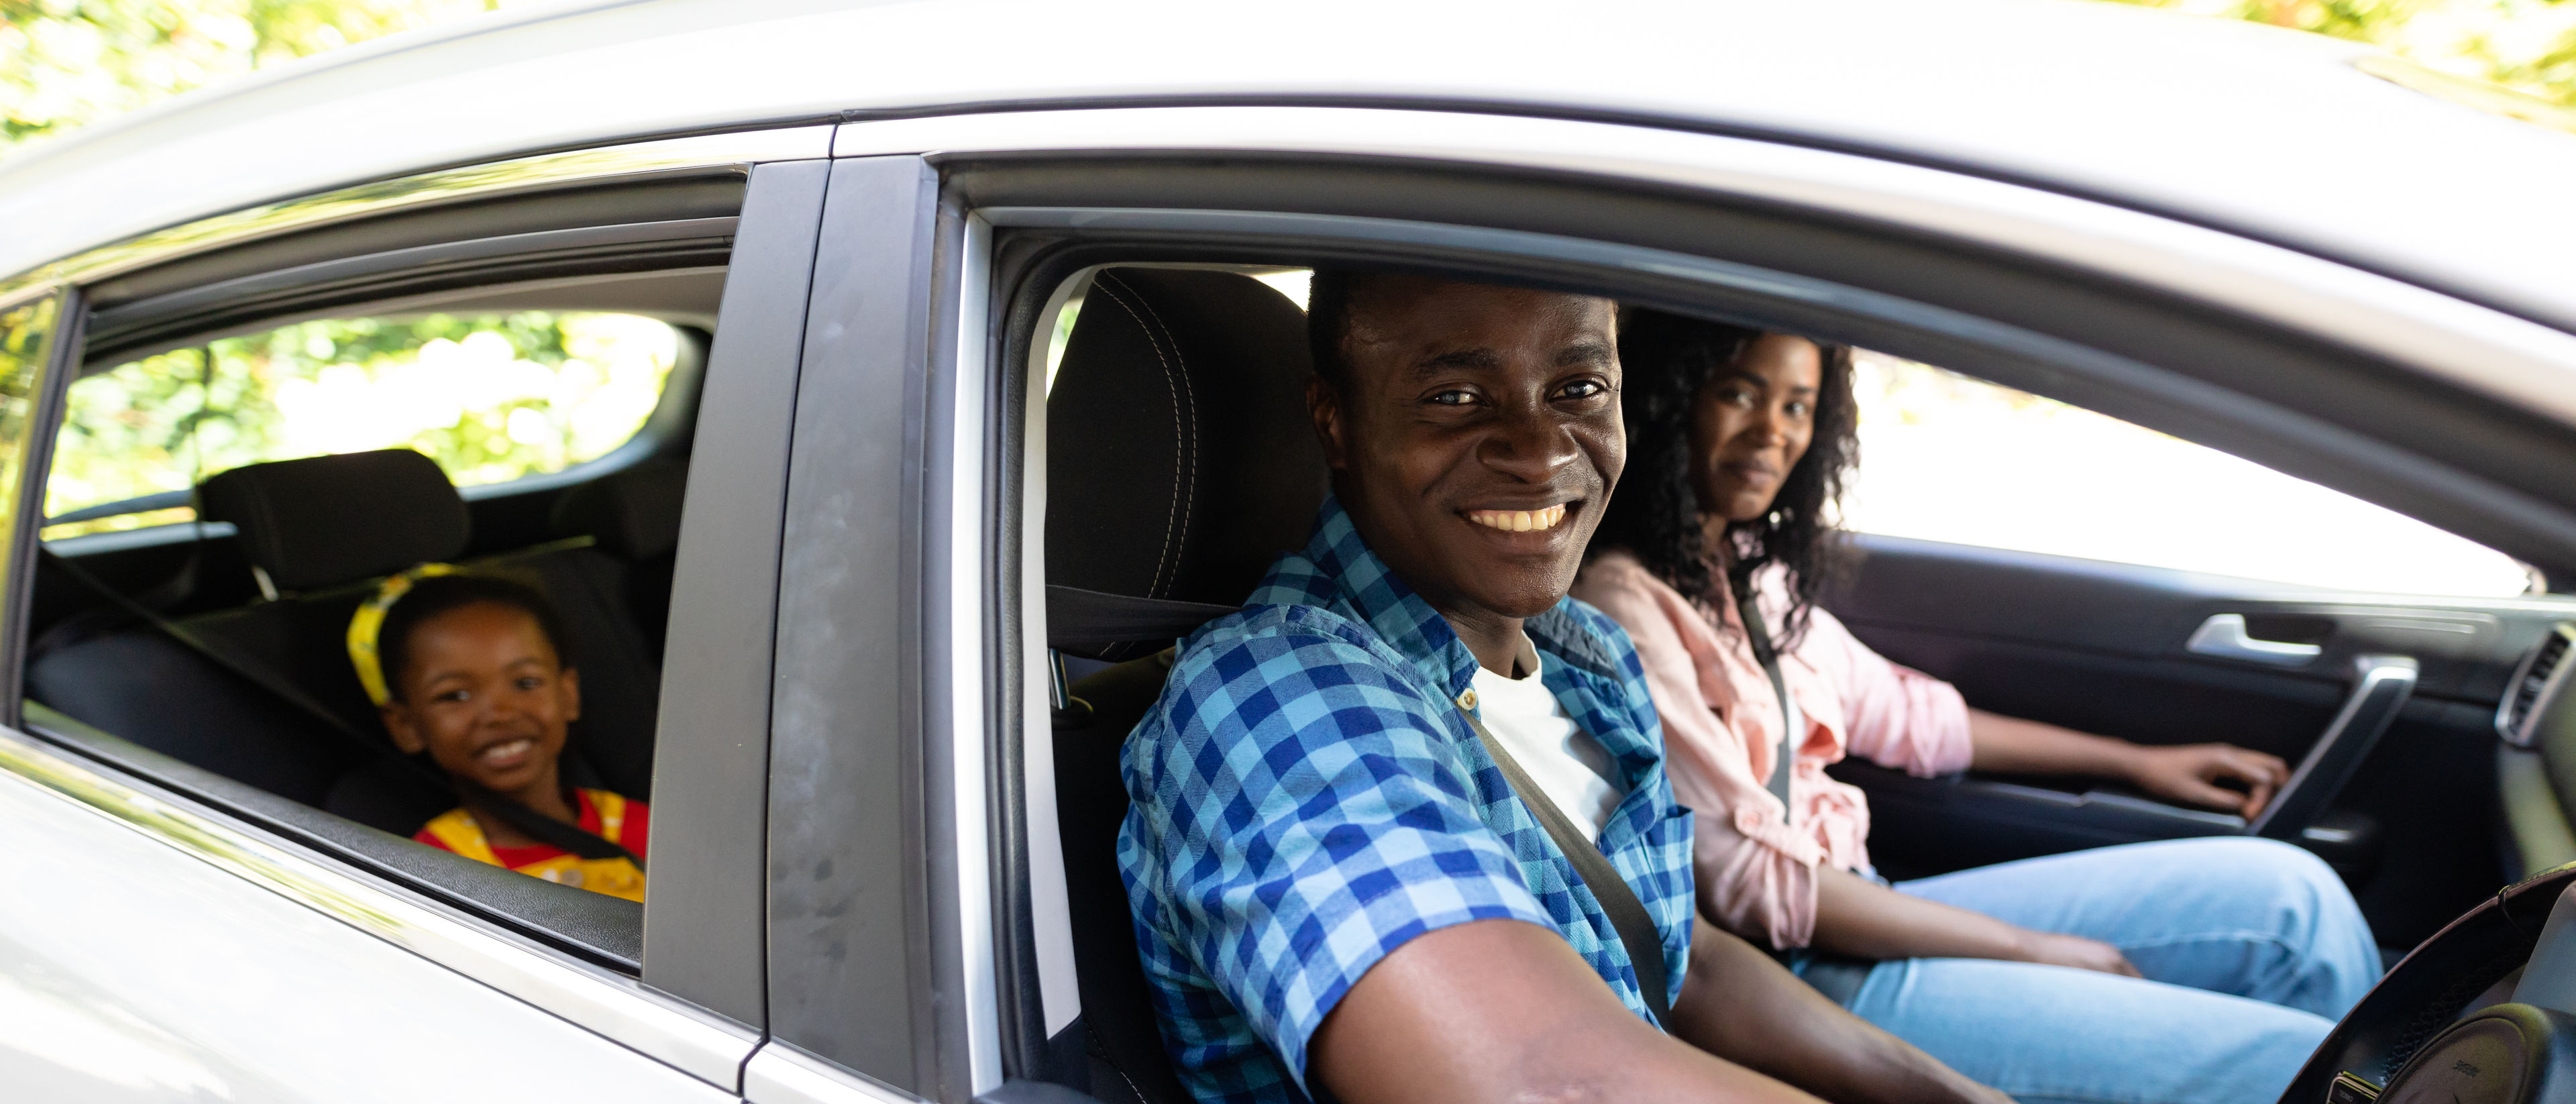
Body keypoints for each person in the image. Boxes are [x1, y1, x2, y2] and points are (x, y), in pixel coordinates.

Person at [1118, 270, 2010, 1104]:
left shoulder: (1593, 658)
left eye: (1578, 388)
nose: (1541, 449)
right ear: (1336, 422)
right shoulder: (1273, 700)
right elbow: (1553, 1082)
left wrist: (1943, 1091)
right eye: (1455, 398)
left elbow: (1678, 957)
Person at [1571, 309, 2382, 1104]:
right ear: (1673, 399)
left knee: (2295, 895)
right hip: (1797, 979)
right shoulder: (1626, 604)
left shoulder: (1747, 570)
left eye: (1796, 405)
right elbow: (1749, 882)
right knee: (2293, 1063)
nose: (1771, 432)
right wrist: (2035, 948)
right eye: (1740, 394)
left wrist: (2137, 762)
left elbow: (1914, 715)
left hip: (1861, 901)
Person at [352, 568, 648, 903]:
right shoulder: (436, 868)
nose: (500, 714)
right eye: (456, 696)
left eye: (526, 683)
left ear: (568, 695)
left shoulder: (641, 829)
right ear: (406, 726)